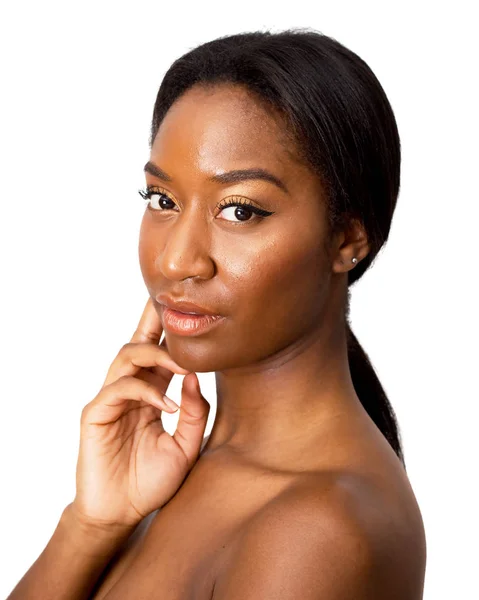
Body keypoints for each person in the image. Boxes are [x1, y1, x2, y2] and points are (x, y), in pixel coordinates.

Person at [7, 27, 427, 600]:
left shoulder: (314, 531)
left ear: (348, 238)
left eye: (240, 210)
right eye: (163, 200)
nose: (178, 259)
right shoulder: (184, 469)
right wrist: (92, 524)